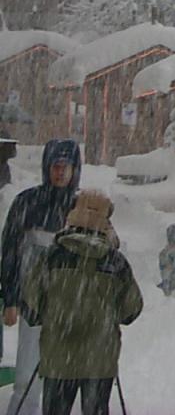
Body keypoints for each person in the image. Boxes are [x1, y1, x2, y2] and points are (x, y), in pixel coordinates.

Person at [21, 189, 143, 415]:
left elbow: (30, 306)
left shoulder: (52, 256)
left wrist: (54, 314)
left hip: (58, 358)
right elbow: (131, 311)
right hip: (100, 359)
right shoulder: (116, 262)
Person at [1, 138, 81, 415]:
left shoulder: (83, 208)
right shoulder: (28, 203)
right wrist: (11, 299)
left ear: (75, 169)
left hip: (70, 308)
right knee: (27, 376)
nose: (60, 172)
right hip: (33, 305)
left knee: (63, 378)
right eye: (55, 166)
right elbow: (10, 252)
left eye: (66, 166)